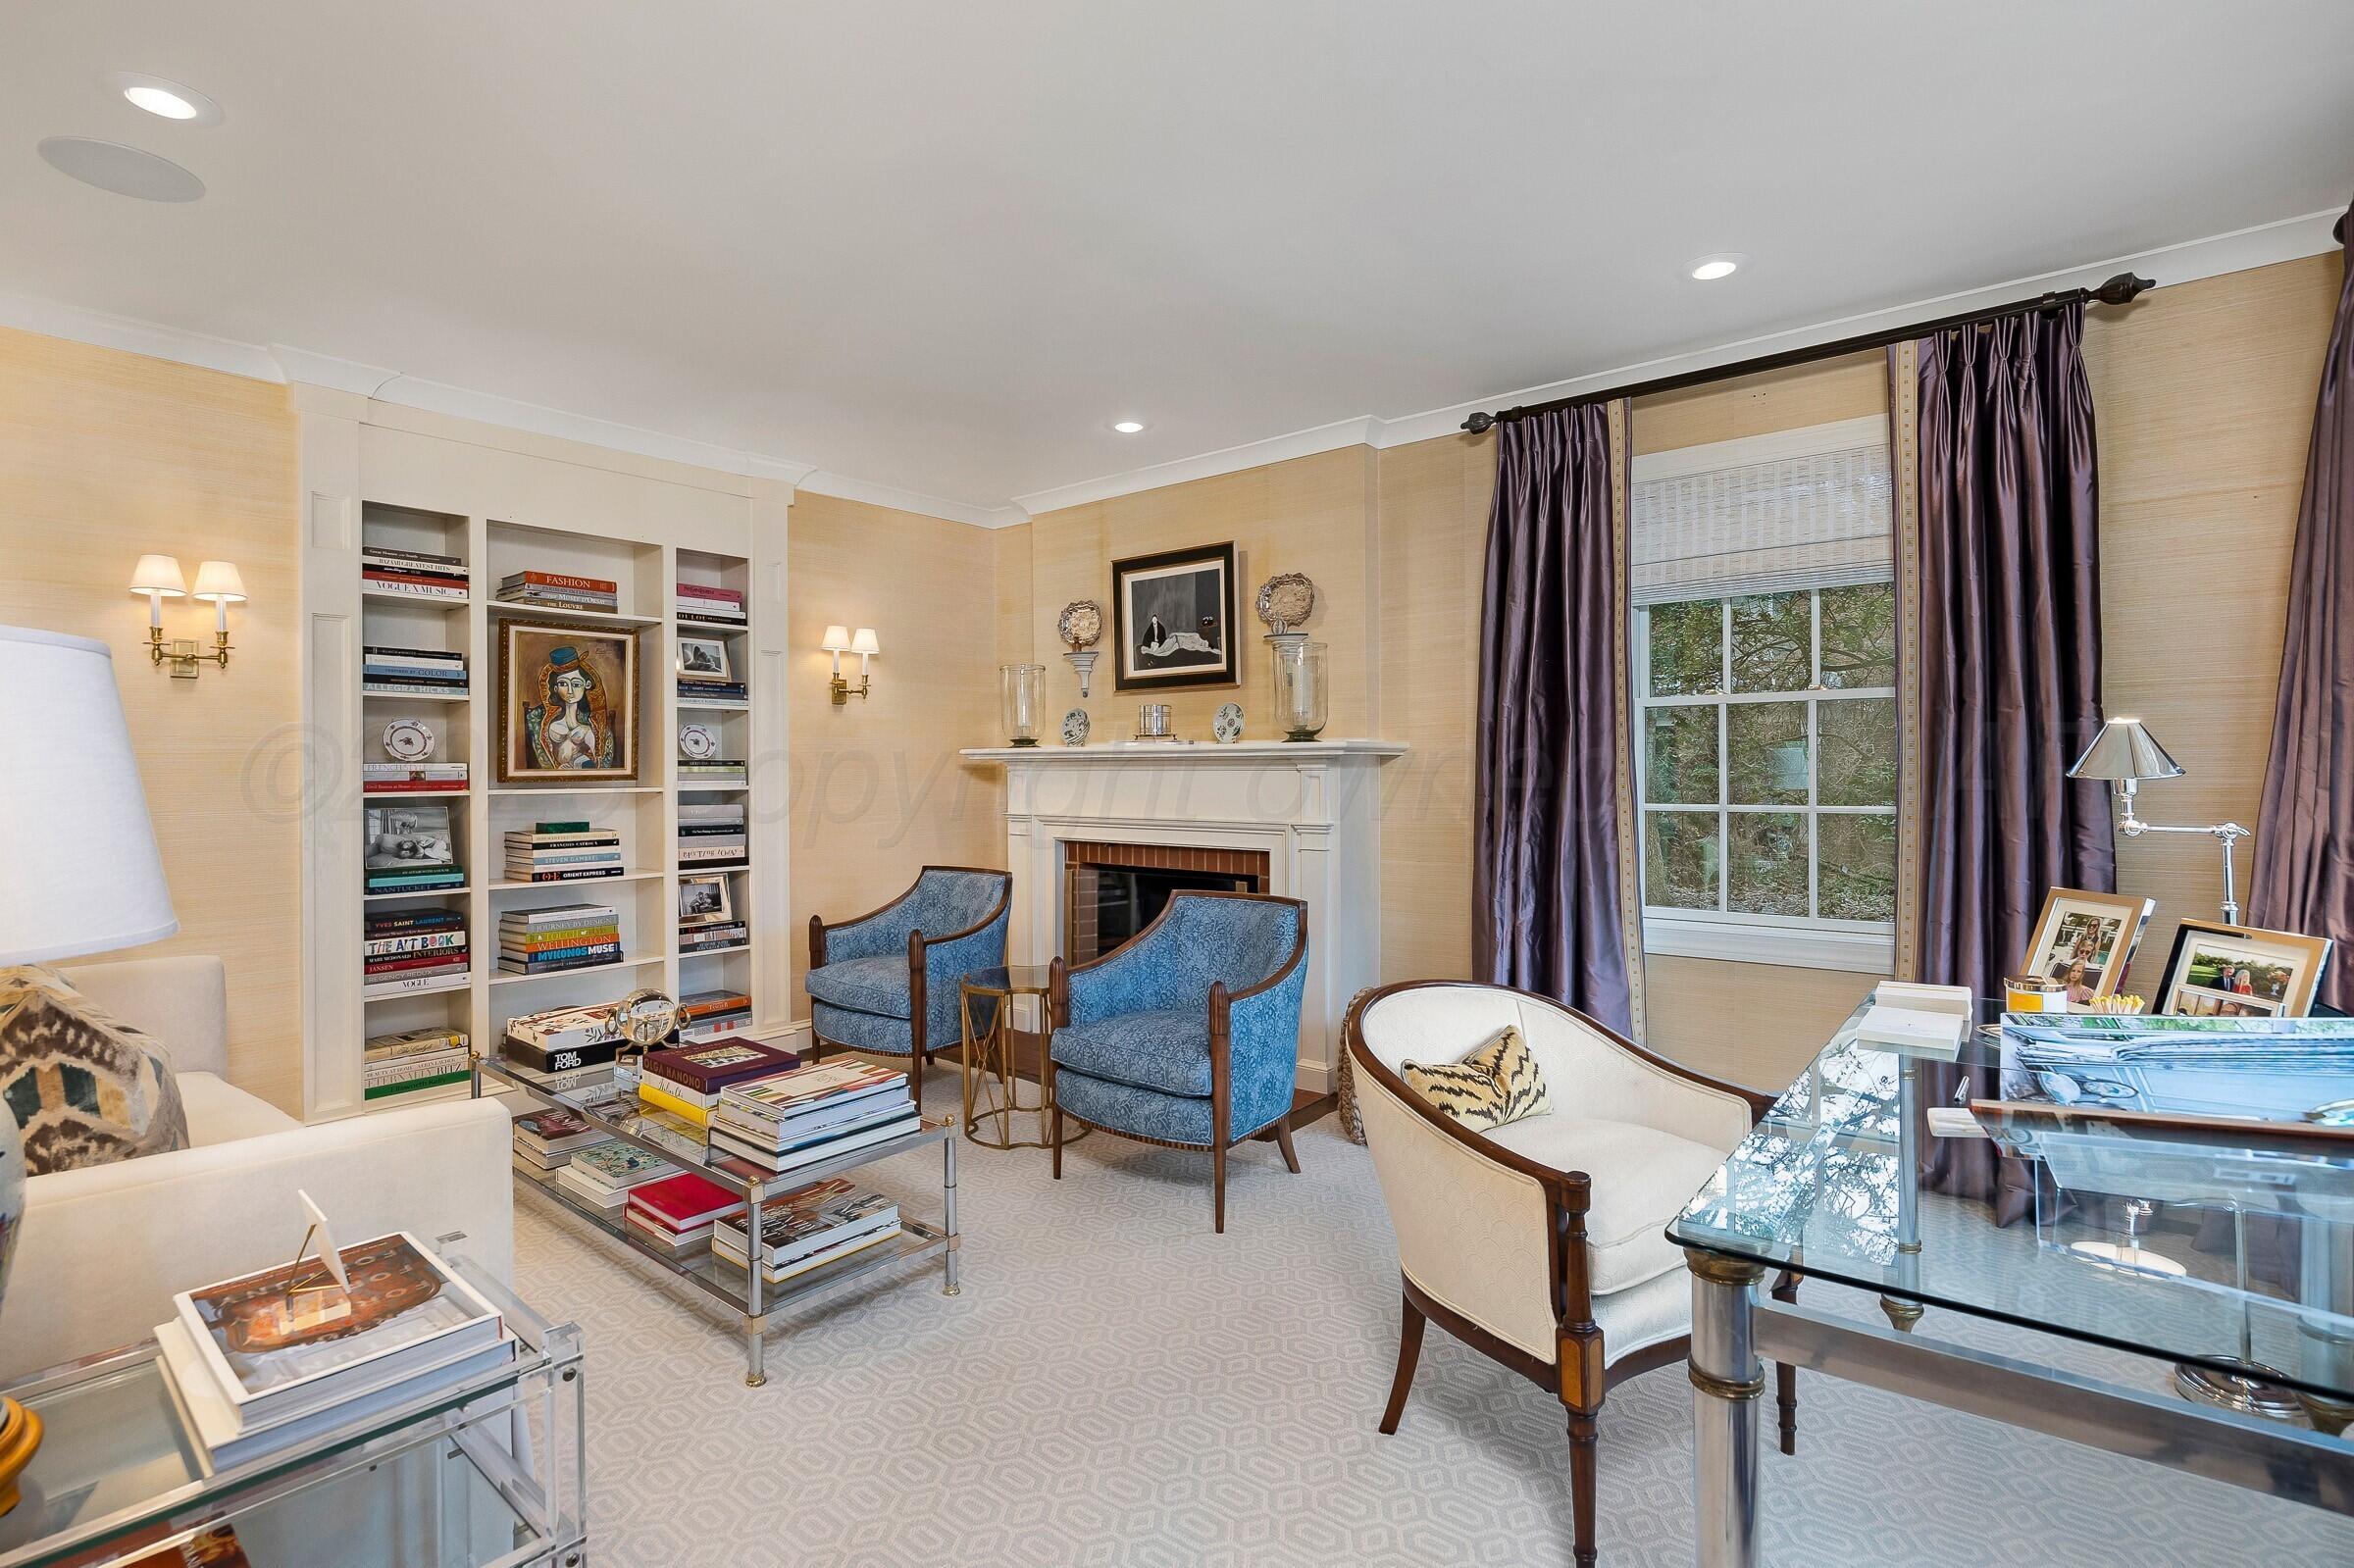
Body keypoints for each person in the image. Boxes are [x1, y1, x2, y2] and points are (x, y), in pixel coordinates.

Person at [525, 644, 617, 771]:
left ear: (587, 684)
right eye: (563, 683)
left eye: (576, 684)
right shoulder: (539, 719)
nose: (570, 691)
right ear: (555, 688)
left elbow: (602, 762)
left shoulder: (595, 724)